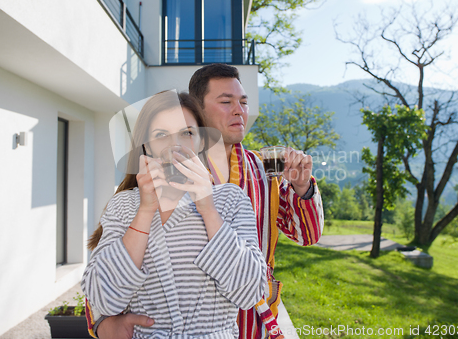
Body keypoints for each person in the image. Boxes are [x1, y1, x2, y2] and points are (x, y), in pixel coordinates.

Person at [92, 64, 324, 339]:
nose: (239, 110)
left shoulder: (266, 169)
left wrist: (302, 187)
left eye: (244, 102)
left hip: (256, 319)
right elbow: (110, 260)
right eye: (226, 102)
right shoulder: (153, 179)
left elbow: (307, 235)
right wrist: (101, 324)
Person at [83, 91, 267, 339]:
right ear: (145, 145)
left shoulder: (229, 200)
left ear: (201, 141)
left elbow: (251, 292)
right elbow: (103, 300)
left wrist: (208, 209)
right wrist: (146, 210)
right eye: (161, 135)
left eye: (187, 133)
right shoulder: (124, 204)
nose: (174, 145)